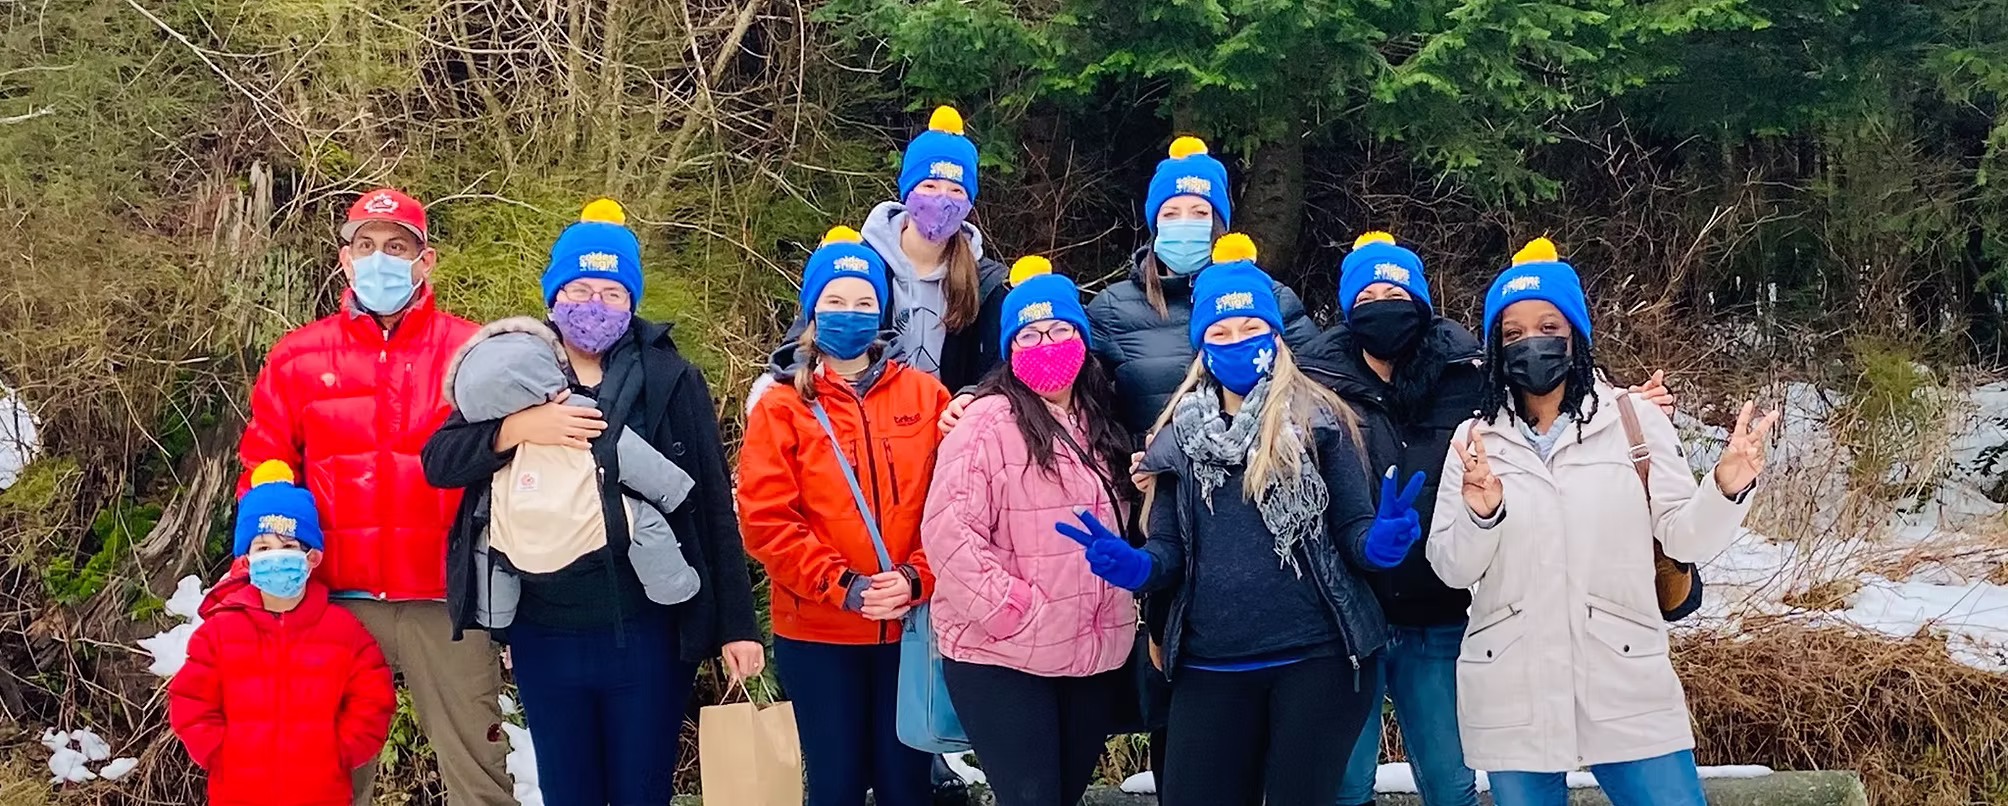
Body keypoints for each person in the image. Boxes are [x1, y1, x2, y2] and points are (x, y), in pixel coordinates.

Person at [1300, 233, 1680, 806]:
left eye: (1395, 291)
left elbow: (1550, 400)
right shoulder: (1312, 384)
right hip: (1346, 615)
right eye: (1368, 294)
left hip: (1438, 611)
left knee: (1451, 783)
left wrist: (1631, 404)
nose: (1383, 304)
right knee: (1343, 783)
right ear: (1348, 307)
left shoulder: (1468, 372)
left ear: (1422, 303)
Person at [420, 200, 765, 806]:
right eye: (580, 289)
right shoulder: (514, 374)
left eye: (612, 292)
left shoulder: (670, 378)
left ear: (632, 301)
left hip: (647, 633)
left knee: (642, 790)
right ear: (553, 297)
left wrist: (738, 626)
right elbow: (440, 462)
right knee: (568, 790)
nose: (594, 305)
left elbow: (711, 504)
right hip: (543, 634)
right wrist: (518, 429)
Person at [1068, 234, 1425, 806]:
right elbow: (1169, 554)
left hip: (1317, 661)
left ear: (1277, 337)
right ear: (1202, 346)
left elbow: (1354, 536)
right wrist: (1135, 567)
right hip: (1210, 666)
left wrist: (1382, 542)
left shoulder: (1323, 421)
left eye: (1251, 328)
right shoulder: (1175, 437)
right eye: (1221, 332)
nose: (1238, 342)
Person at [1427, 239, 1778, 806]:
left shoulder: (1633, 421)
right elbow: (1450, 567)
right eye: (1512, 334)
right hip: (1513, 686)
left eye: (1548, 325)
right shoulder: (1474, 441)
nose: (1531, 342)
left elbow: (1685, 536)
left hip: (1624, 678)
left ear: (1577, 336)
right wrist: (1481, 511)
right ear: (1494, 347)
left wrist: (1728, 484)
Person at [236, 187, 513, 806]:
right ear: (344, 257)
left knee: (480, 771)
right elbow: (262, 463)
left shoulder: (472, 351)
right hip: (333, 601)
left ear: (426, 260)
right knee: (323, 776)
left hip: (447, 599)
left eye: (397, 247)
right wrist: (263, 575)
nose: (380, 259)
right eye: (366, 246)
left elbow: (511, 461)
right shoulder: (297, 357)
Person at [738, 226, 951, 806]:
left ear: (882, 313)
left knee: (908, 785)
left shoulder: (926, 396)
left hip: (908, 630)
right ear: (811, 312)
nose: (850, 314)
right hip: (819, 631)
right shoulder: (781, 406)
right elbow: (765, 520)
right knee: (835, 784)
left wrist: (916, 577)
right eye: (835, 301)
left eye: (864, 303)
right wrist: (844, 586)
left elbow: (953, 506)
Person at [920, 257, 1137, 806]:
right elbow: (950, 536)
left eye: (1060, 330)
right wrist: (1018, 610)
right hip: (1005, 655)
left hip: (1090, 649)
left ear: (1083, 339)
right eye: (1031, 333)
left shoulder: (1103, 421)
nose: (1047, 343)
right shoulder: (984, 424)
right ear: (1010, 348)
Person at [169, 461, 396, 806]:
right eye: (263, 548)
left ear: (313, 557)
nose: (276, 556)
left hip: (322, 794)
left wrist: (338, 752)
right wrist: (220, 753)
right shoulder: (220, 630)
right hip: (238, 794)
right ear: (246, 559)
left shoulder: (344, 631)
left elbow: (373, 699)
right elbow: (190, 700)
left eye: (289, 547)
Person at [760, 105, 1009, 415]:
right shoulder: (859, 265)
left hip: (946, 429)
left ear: (970, 201)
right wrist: (784, 386)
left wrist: (971, 397)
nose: (942, 200)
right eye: (929, 186)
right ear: (908, 190)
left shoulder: (985, 281)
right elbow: (804, 338)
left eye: (956, 190)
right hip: (866, 423)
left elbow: (1002, 367)